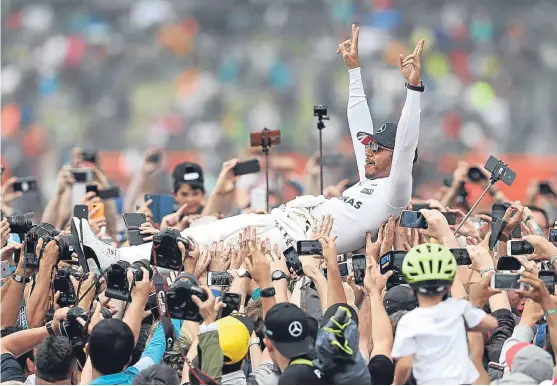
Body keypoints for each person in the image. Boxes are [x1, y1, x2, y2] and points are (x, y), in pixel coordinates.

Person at [72, 27, 426, 270]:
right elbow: (357, 124)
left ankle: (114, 261)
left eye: (378, 148)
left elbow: (407, 137)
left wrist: (413, 88)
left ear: (398, 157)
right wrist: (353, 71)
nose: (368, 151)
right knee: (193, 235)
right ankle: (111, 256)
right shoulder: (369, 177)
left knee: (197, 249)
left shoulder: (394, 192)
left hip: (287, 246)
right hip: (278, 222)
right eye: (369, 145)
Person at [391, 243, 498, 385]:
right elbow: (492, 324)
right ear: (450, 284)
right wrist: (469, 317)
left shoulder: (408, 321)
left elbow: (404, 364)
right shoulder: (459, 308)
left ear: (410, 286)